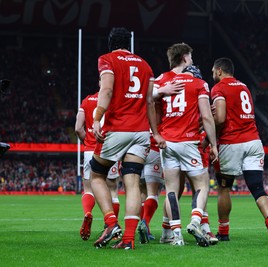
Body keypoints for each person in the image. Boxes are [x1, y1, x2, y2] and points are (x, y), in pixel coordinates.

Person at [89, 27, 165, 250]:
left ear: (110, 43)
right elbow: (150, 103)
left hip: (117, 128)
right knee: (132, 182)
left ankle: (111, 223)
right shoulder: (145, 65)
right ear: (128, 43)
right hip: (141, 131)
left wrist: (97, 117)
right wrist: (155, 132)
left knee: (96, 175)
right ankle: (129, 239)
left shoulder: (107, 59)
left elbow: (107, 90)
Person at [210, 57, 268, 244]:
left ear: (219, 71)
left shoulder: (218, 88)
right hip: (253, 141)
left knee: (224, 188)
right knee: (258, 188)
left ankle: (223, 231)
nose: (212, 75)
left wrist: (208, 140)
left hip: (232, 142)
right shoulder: (244, 87)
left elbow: (220, 119)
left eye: (213, 72)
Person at [153, 43, 218, 245]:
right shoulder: (198, 83)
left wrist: (160, 92)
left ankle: (176, 236)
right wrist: (213, 144)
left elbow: (146, 102)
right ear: (184, 58)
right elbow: (207, 117)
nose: (192, 60)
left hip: (167, 142)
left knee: (171, 189)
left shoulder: (161, 80)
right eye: (190, 56)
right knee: (201, 184)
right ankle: (196, 220)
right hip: (189, 141)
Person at [75, 91, 121, 241]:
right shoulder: (113, 98)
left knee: (88, 188)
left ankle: (88, 212)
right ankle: (112, 225)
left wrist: (87, 142)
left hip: (90, 151)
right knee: (113, 190)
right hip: (109, 149)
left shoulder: (87, 100)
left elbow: (77, 128)